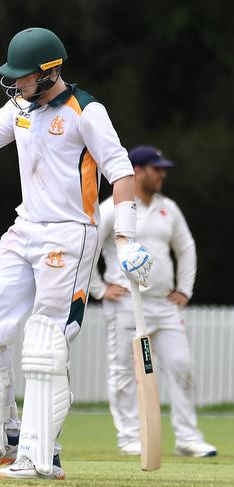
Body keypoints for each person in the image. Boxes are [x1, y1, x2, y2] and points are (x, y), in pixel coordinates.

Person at [0, 27, 152, 480]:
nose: (15, 84)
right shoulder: (18, 108)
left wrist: (126, 239)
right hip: (26, 228)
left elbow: (121, 172)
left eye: (22, 77)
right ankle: (5, 439)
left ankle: (43, 456)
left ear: (49, 72)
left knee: (46, 342)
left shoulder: (86, 111)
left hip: (70, 234)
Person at [89, 145, 217, 458]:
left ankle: (188, 438)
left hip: (165, 305)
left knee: (180, 365)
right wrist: (99, 288)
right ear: (136, 170)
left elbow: (186, 249)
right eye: (156, 168)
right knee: (125, 371)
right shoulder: (112, 208)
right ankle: (130, 437)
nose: (162, 174)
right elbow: (87, 248)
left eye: (163, 169)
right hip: (127, 305)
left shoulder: (168, 209)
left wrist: (184, 289)